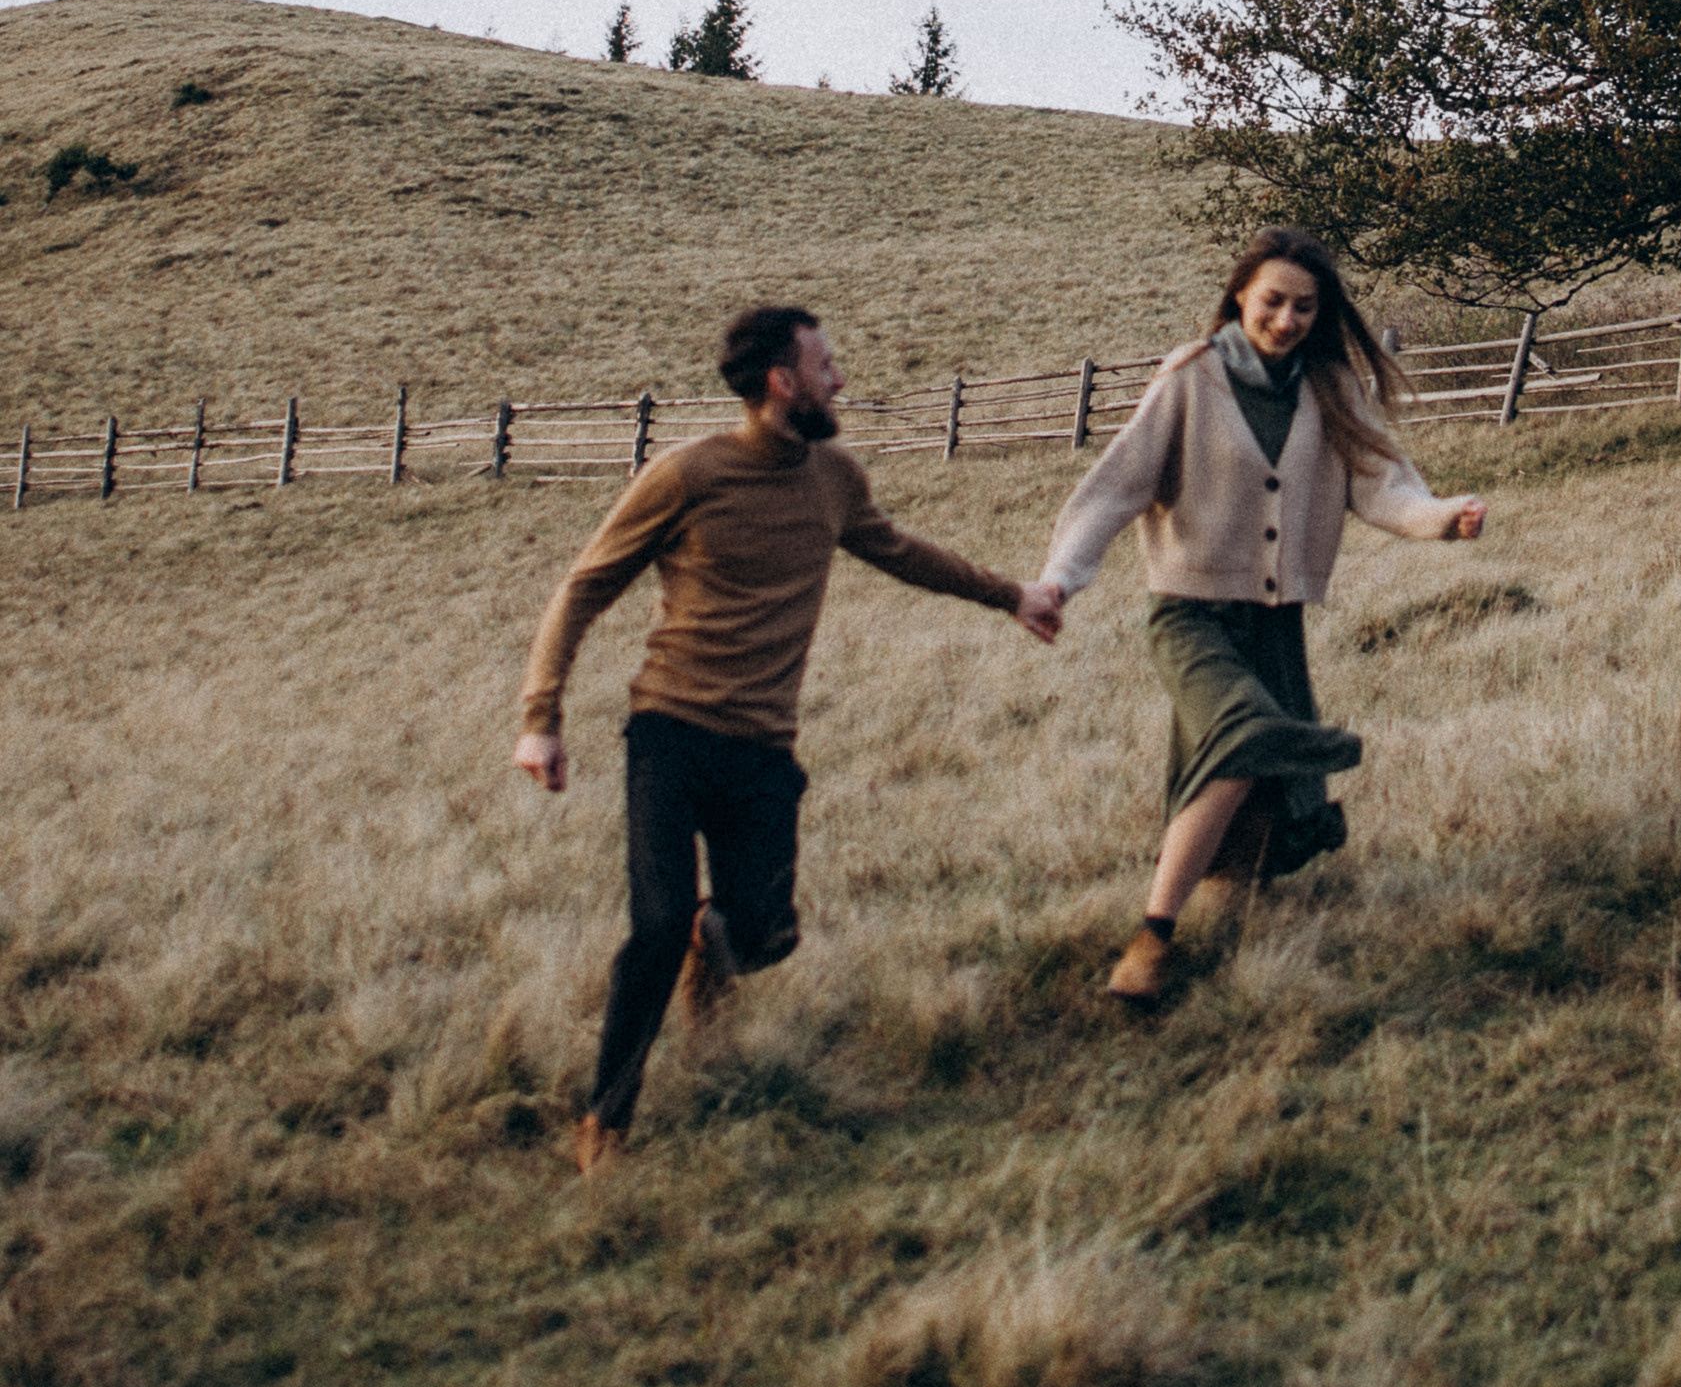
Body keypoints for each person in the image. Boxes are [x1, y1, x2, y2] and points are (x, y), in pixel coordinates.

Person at [513, 302, 1060, 1167]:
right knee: (653, 928)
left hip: (764, 749)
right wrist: (541, 720)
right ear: (782, 380)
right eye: (827, 364)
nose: (840, 378)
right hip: (670, 734)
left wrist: (1010, 596)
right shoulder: (687, 476)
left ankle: (715, 941)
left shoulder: (833, 479)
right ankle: (605, 1123)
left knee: (763, 936)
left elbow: (901, 550)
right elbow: (582, 588)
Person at [1032, 229, 1485, 1008]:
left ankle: (1231, 923)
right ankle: (1151, 941)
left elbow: (1383, 485)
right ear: (1240, 294)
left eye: (1304, 307)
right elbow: (1114, 489)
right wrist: (1059, 580)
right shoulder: (1190, 380)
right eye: (1272, 301)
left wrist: (1442, 517)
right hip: (1190, 615)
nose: (1286, 320)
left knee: (1250, 786)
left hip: (1276, 620)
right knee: (1244, 741)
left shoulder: (1331, 388)